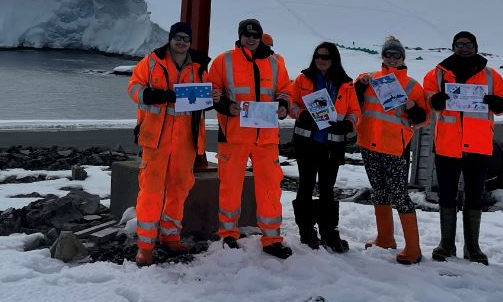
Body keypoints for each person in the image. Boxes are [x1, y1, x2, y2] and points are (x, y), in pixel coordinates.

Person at [126, 21, 210, 266]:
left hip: (186, 141)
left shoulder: (199, 66)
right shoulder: (151, 62)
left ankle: (171, 235)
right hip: (156, 138)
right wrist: (154, 95)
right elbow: (133, 89)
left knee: (179, 188)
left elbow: (206, 94)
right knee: (152, 190)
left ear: (190, 42)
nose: (181, 42)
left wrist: (211, 97)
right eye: (178, 38)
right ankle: (145, 245)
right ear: (170, 39)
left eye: (186, 38)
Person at [423, 31, 503, 264]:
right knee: (447, 196)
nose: (464, 48)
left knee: (474, 197)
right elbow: (427, 96)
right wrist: (435, 101)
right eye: (459, 44)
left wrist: (499, 104)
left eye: (468, 44)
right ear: (453, 47)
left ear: (475, 46)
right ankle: (446, 245)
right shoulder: (438, 74)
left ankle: (473, 248)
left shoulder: (491, 75)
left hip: (479, 147)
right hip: (447, 146)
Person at [210, 18, 294, 258]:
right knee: (230, 186)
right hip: (234, 136)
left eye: (255, 35)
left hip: (266, 138)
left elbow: (286, 90)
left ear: (260, 36)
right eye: (246, 35)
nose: (251, 39)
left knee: (270, 188)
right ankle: (228, 234)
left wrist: (283, 106)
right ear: (240, 36)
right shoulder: (223, 61)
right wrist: (226, 106)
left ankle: (272, 239)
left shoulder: (276, 62)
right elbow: (212, 91)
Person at [354, 36, 429, 264]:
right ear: (383, 56)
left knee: (400, 195)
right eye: (388, 54)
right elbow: (352, 103)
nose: (392, 59)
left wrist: (411, 106)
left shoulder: (413, 86)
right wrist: (360, 85)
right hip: (369, 143)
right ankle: (385, 238)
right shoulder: (369, 79)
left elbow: (423, 119)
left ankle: (413, 248)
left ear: (403, 58)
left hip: (395, 147)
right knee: (379, 190)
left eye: (397, 55)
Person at [287, 41, 360, 252]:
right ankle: (306, 231)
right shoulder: (303, 79)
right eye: (318, 56)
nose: (321, 60)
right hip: (307, 142)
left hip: (332, 145)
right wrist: (301, 115)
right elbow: (291, 103)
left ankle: (329, 231)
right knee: (306, 187)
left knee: (328, 190)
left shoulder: (346, 84)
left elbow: (355, 111)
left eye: (325, 57)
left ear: (334, 59)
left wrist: (349, 124)